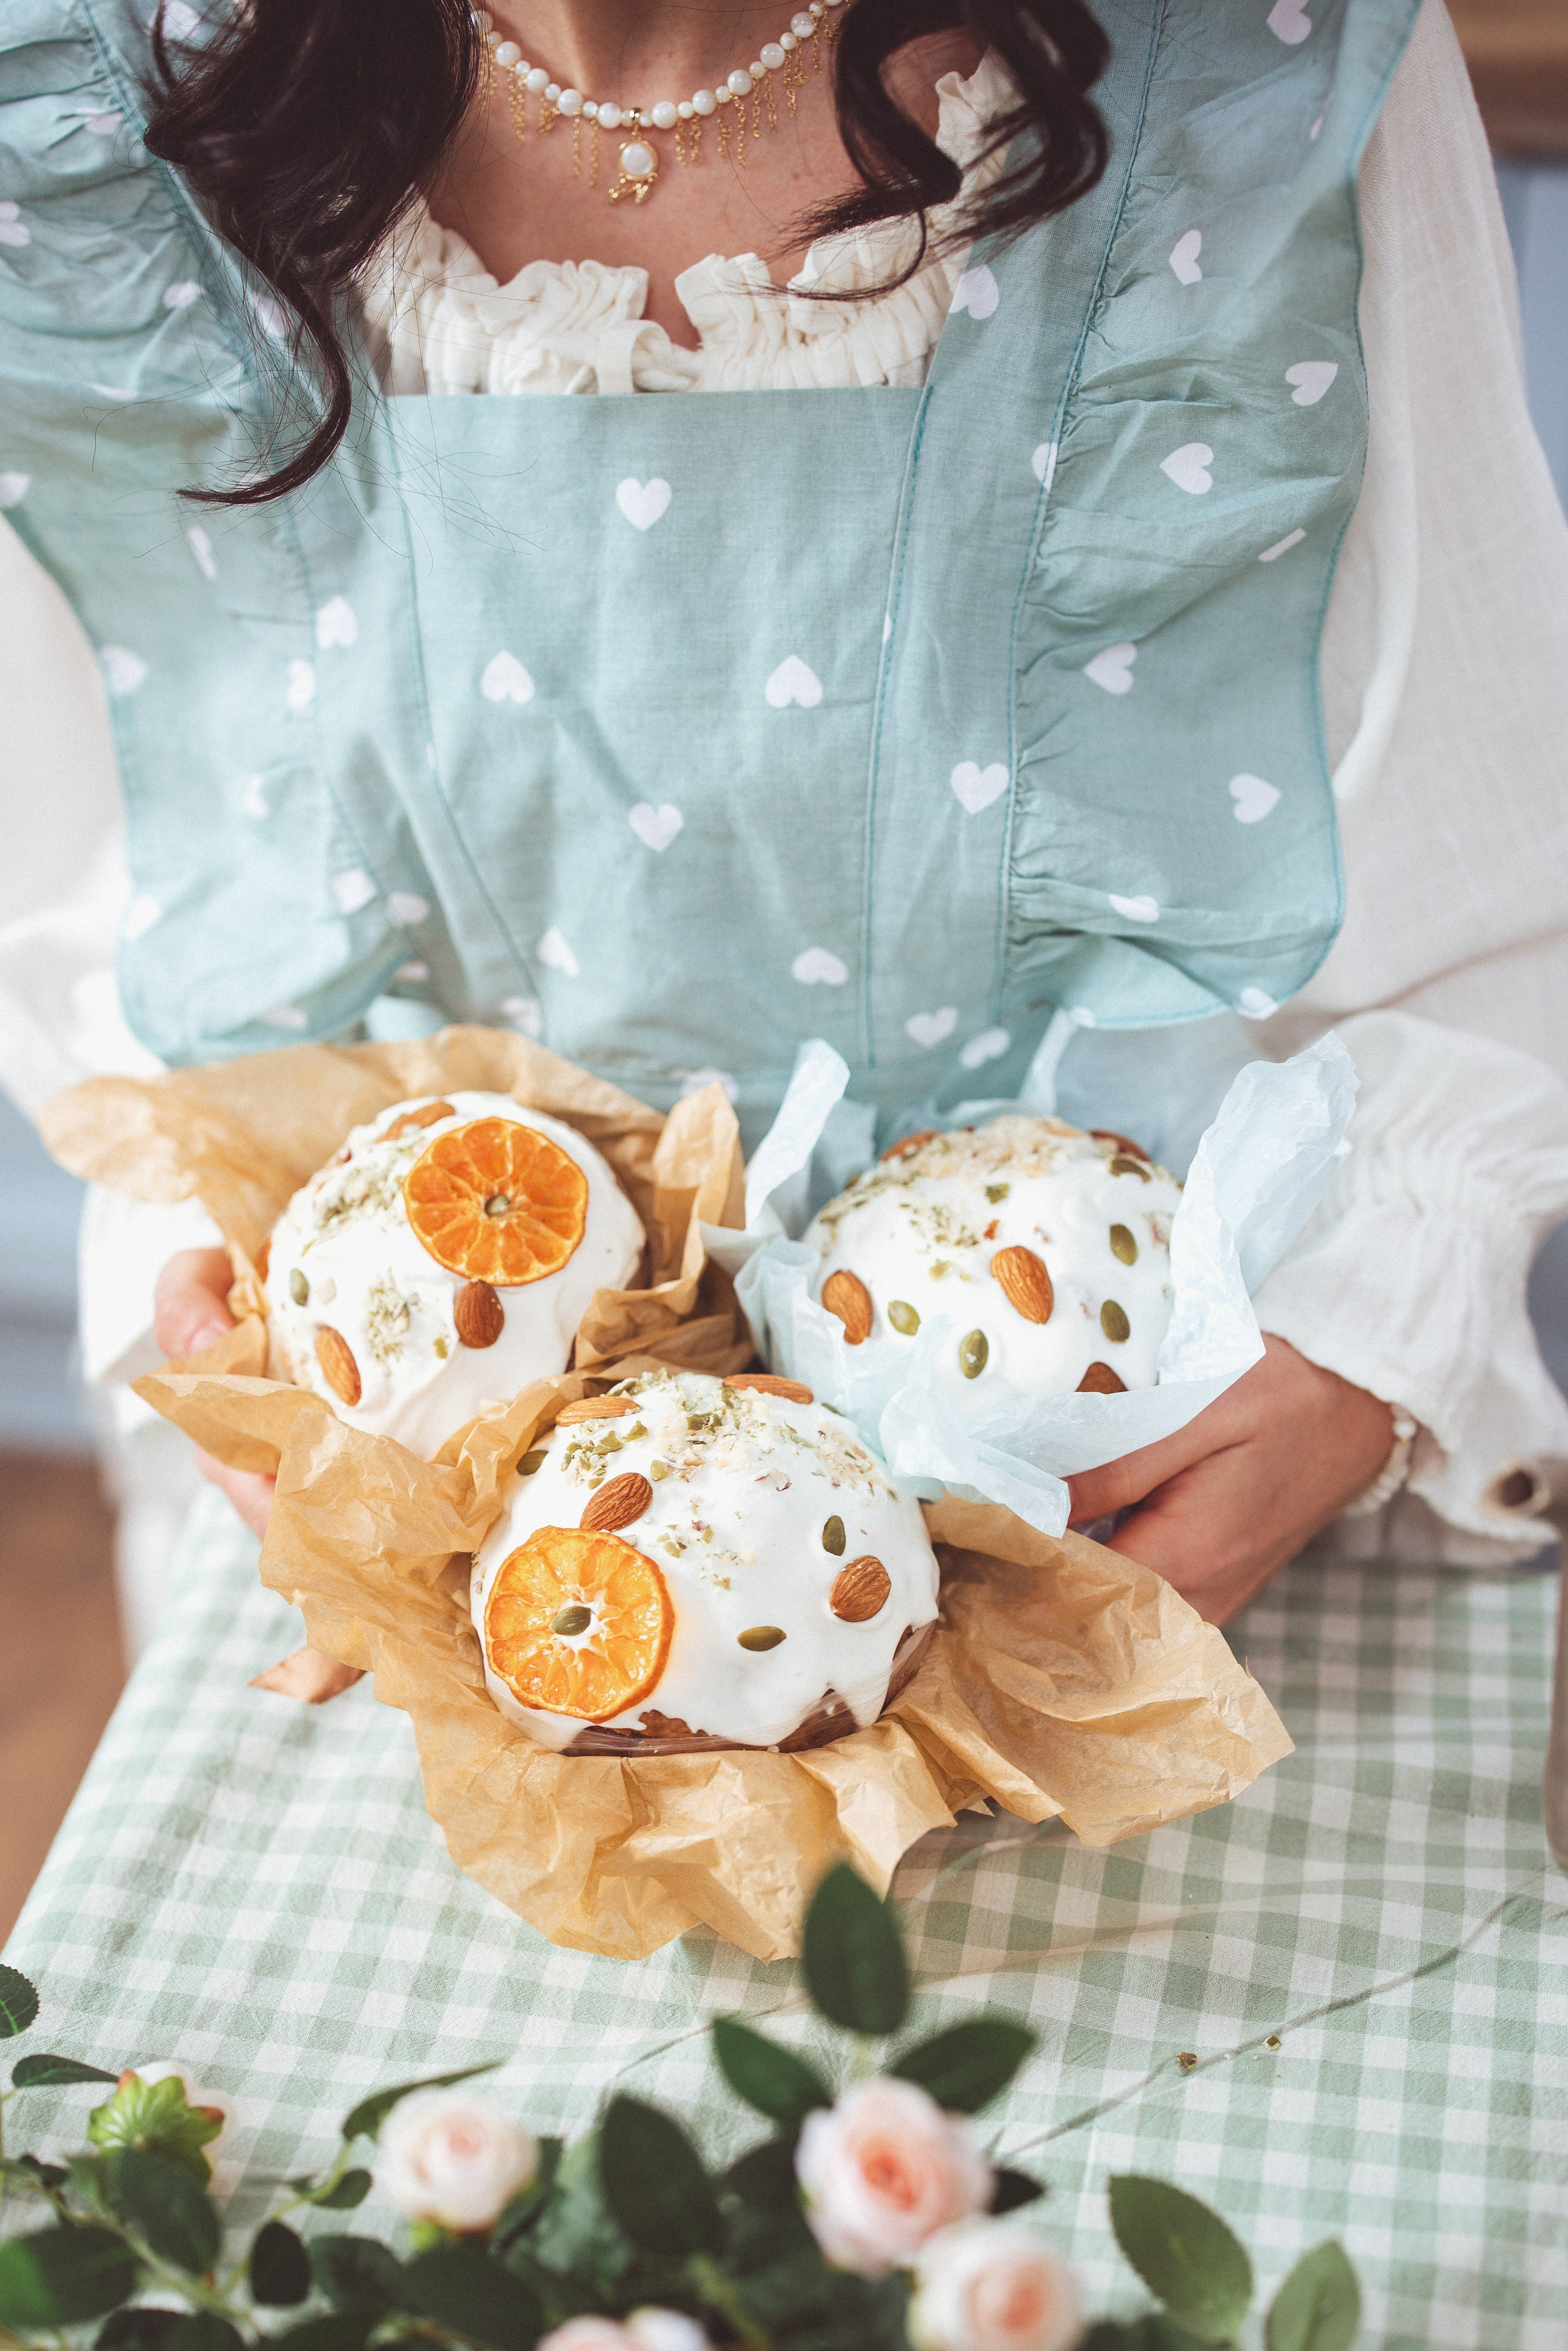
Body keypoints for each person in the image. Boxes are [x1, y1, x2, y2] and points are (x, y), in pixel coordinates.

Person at [2, 0, 1566, 1631]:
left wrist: (1367, 1339)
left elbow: (1491, 836)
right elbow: (91, 889)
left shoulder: (1257, 66)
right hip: (422, 1520)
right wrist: (212, 1287)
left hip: (1158, 1488)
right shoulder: (73, 117)